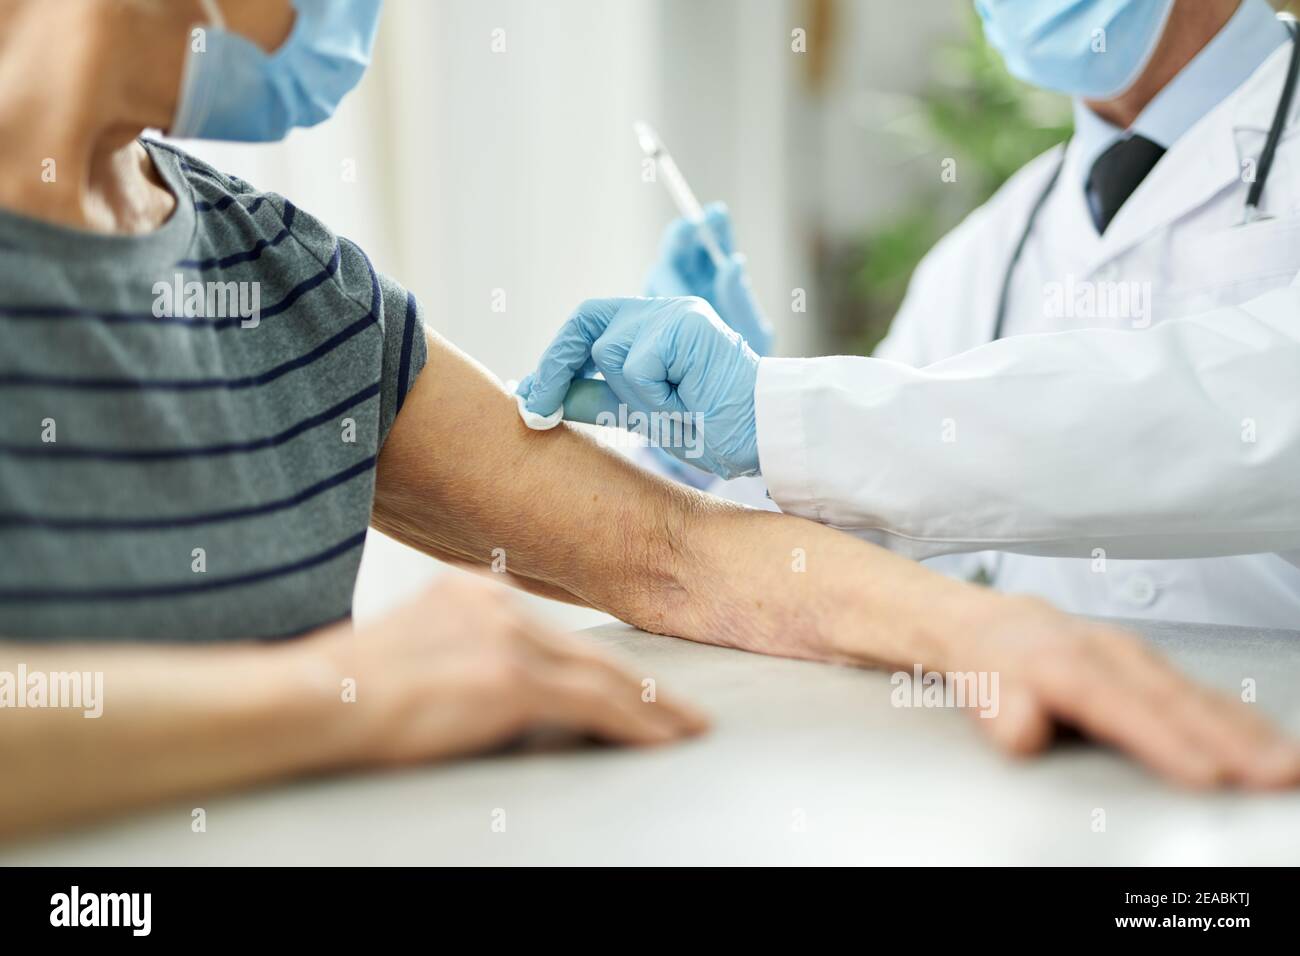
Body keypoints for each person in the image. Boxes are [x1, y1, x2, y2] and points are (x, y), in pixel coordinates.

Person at [3, 0, 1298, 840]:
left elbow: (672, 552)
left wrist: (1001, 632)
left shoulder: (285, 273)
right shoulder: (1002, 234)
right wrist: (338, 702)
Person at [518, 0, 1300, 629]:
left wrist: (782, 412)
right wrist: (712, 446)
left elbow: (1250, 412)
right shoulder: (988, 252)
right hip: (1070, 768)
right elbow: (866, 540)